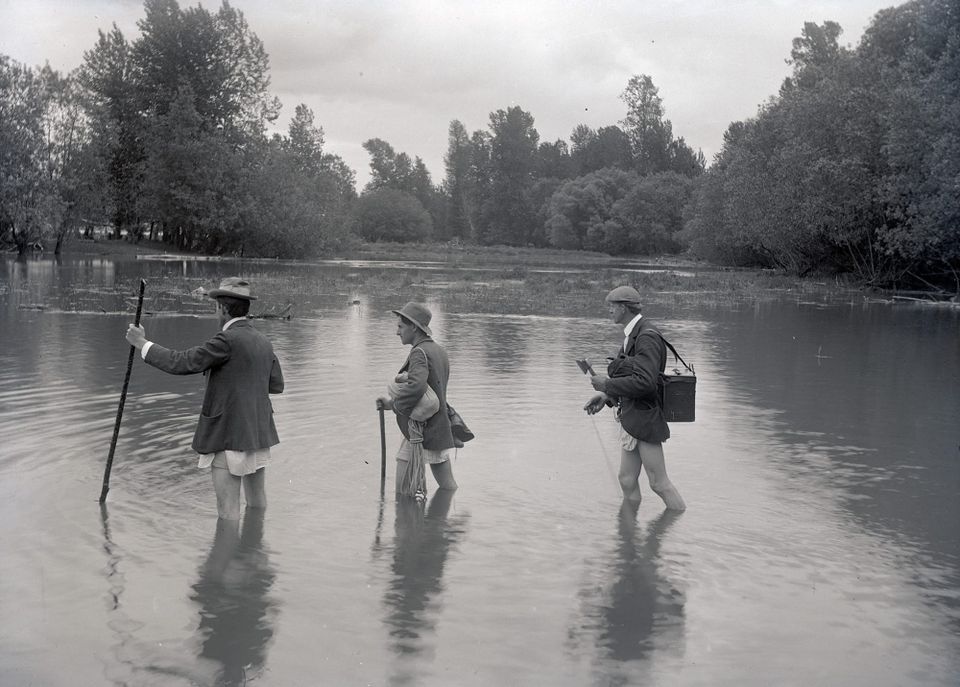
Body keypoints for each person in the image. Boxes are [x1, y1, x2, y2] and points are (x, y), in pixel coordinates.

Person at [125, 277, 284, 520]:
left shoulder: (226, 340)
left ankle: (231, 556)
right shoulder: (263, 341)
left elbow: (181, 362)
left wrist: (142, 343)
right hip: (259, 434)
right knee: (256, 504)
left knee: (228, 514)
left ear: (221, 308)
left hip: (228, 436)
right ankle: (253, 553)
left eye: (215, 306)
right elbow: (276, 385)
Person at [584, 286, 686, 511]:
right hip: (633, 417)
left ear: (623, 308)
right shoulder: (633, 334)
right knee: (627, 480)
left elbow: (645, 382)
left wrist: (607, 383)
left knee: (659, 484)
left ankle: (678, 523)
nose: (609, 311)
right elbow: (633, 376)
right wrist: (606, 395)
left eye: (612, 306)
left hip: (645, 419)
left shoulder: (646, 337)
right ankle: (628, 536)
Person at [376, 302, 458, 497]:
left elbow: (417, 387)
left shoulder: (418, 353)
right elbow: (433, 389)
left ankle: (411, 523)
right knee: (448, 488)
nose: (397, 332)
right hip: (439, 429)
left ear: (413, 326)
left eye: (400, 327)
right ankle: (441, 523)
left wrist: (394, 404)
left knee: (402, 494)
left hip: (420, 432)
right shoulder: (439, 351)